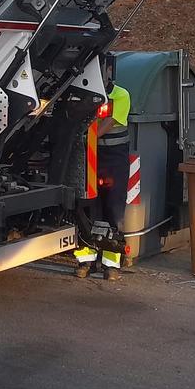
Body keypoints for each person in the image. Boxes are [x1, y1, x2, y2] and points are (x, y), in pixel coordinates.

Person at [76, 65, 131, 280]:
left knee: (113, 209)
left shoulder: (121, 95)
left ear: (110, 71)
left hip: (113, 159)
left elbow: (108, 123)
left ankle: (111, 264)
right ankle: (85, 261)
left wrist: (83, 137)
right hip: (90, 158)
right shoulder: (86, 94)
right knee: (87, 209)